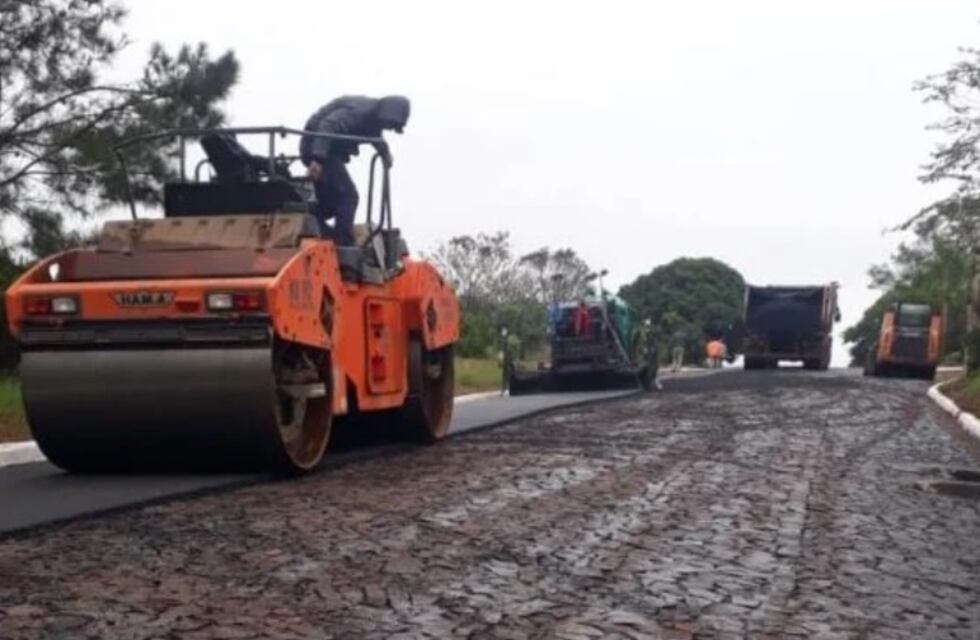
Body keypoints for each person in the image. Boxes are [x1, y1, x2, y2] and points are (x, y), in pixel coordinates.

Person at [300, 95, 411, 245]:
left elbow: (374, 135)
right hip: (318, 148)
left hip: (322, 149)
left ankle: (314, 225)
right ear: (387, 113)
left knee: (331, 203)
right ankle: (344, 244)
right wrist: (318, 159)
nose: (390, 128)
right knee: (349, 196)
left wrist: (385, 153)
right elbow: (328, 125)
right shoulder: (359, 112)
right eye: (392, 123)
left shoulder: (372, 118)